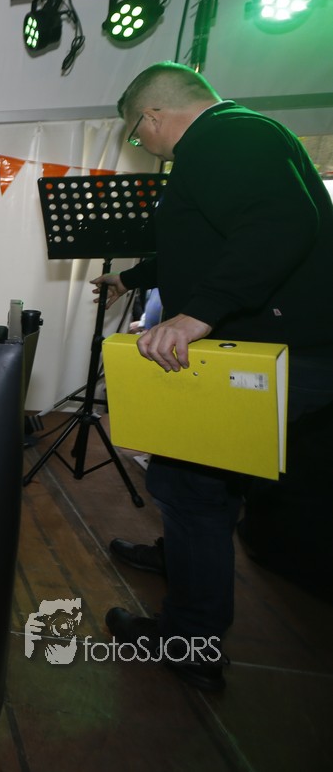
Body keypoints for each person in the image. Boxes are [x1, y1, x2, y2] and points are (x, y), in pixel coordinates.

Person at [90, 61, 333, 691]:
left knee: (188, 483)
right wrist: (130, 278)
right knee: (202, 477)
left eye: (137, 134)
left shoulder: (228, 136)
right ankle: (182, 558)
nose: (143, 145)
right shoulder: (233, 139)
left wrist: (197, 314)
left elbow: (281, 223)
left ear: (153, 115)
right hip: (279, 348)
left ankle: (191, 640)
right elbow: (201, 242)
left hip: (282, 353)